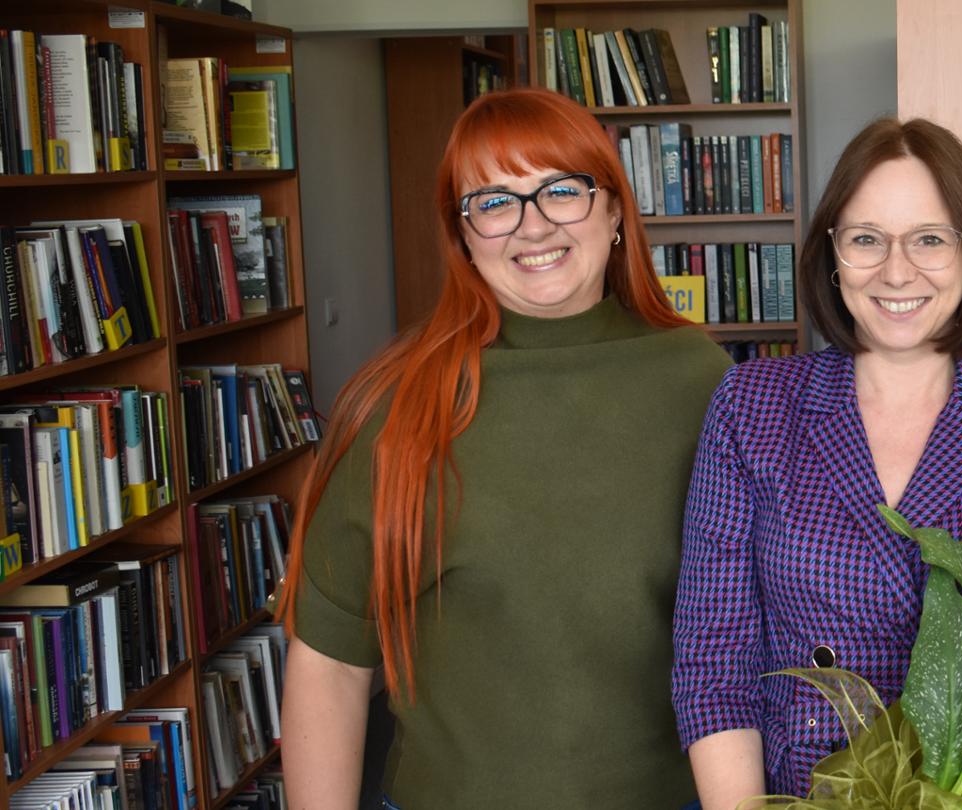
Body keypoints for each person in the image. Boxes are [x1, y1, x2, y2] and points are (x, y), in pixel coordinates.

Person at [279, 88, 731, 809]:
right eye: (493, 202)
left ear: (614, 211)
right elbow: (331, 664)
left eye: (561, 190)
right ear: (464, 237)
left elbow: (749, 631)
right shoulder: (399, 402)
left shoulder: (704, 381)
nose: (532, 225)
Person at [672, 117, 962, 809]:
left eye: (929, 239)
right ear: (832, 254)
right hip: (792, 792)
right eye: (866, 239)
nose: (896, 271)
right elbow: (713, 662)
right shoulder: (753, 403)